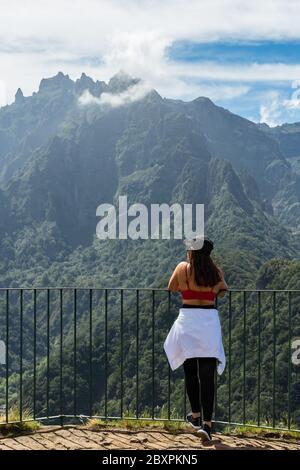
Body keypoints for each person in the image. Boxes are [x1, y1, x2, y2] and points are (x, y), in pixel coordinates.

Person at [163, 236, 228, 442]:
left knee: (190, 371)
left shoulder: (182, 268)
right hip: (208, 321)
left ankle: (196, 417)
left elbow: (171, 287)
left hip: (189, 321)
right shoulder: (215, 272)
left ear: (192, 252)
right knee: (207, 376)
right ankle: (208, 426)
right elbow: (224, 290)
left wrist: (187, 284)